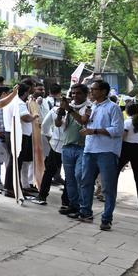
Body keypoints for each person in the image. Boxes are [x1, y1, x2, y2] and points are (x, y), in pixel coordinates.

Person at [76, 79, 124, 229]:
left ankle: (107, 218)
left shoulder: (113, 108)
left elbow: (117, 130)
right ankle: (85, 212)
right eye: (91, 89)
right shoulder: (92, 106)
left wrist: (94, 131)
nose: (91, 92)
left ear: (103, 91)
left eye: (94, 89)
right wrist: (86, 122)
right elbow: (86, 124)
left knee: (108, 187)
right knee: (85, 182)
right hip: (90, 149)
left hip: (107, 151)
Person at [55, 84, 90, 217]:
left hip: (82, 147)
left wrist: (69, 109)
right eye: (73, 93)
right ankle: (73, 205)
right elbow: (58, 124)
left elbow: (82, 121)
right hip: (67, 146)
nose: (75, 96)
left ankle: (83, 206)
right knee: (70, 179)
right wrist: (60, 112)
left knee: (79, 176)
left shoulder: (88, 107)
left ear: (85, 94)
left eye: (78, 93)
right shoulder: (68, 107)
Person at [2, 80, 36, 199]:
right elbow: (25, 117)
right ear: (26, 92)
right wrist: (34, 117)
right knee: (16, 162)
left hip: (11, 132)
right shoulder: (19, 103)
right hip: (18, 134)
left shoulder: (10, 101)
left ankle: (12, 186)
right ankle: (11, 188)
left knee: (14, 161)